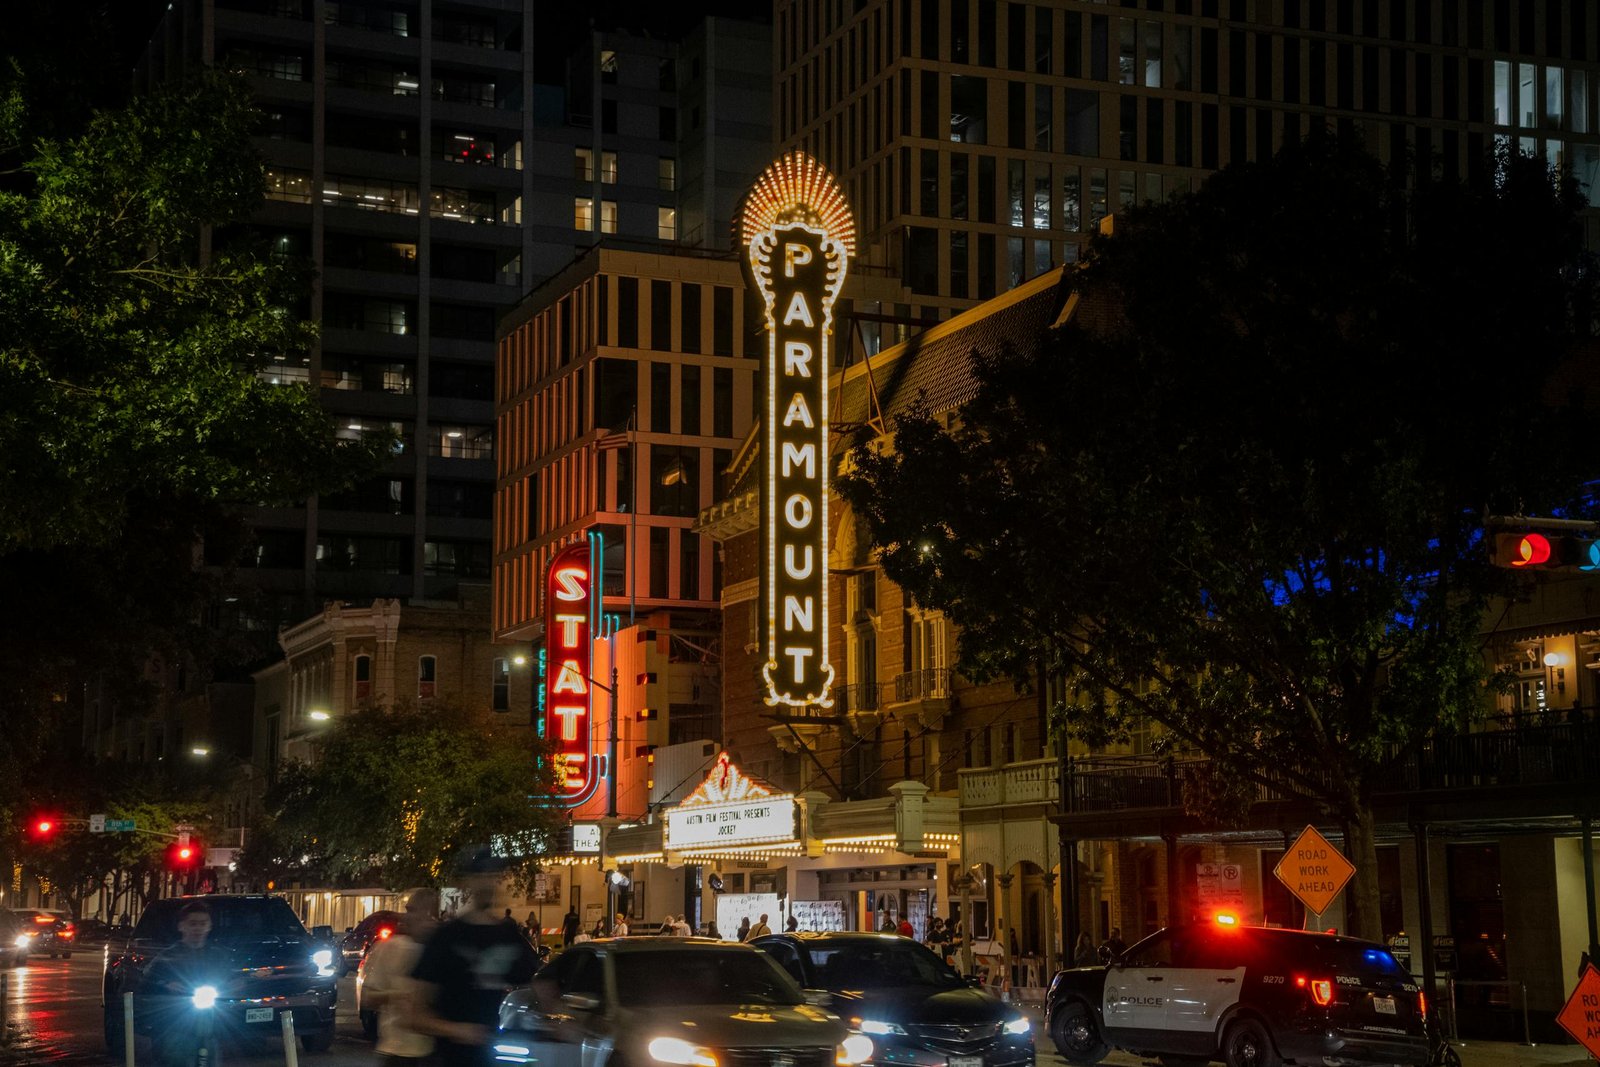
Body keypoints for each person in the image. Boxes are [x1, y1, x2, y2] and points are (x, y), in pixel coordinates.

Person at [411, 848, 540, 1067]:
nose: (487, 883)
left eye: (493, 876)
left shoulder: (508, 936)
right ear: (467, 882)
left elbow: (540, 985)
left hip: (490, 1057)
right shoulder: (446, 938)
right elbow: (414, 1014)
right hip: (449, 1059)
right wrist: (456, 1030)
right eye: (480, 876)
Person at [143, 902, 231, 1067]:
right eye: (193, 924)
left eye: (203, 923)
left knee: (210, 1058)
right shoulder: (168, 956)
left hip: (209, 1024)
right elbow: (148, 981)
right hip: (176, 1026)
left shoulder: (218, 955)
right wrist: (167, 984)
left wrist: (233, 986)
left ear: (209, 926)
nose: (198, 928)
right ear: (181, 926)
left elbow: (229, 978)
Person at [362, 887, 440, 1064]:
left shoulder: (439, 951)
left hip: (429, 1051)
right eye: (407, 910)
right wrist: (397, 995)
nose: (407, 916)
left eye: (414, 910)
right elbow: (368, 997)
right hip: (395, 1050)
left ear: (430, 915)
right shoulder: (389, 947)